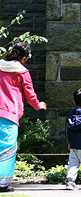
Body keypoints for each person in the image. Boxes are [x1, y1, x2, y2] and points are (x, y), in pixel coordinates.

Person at [0, 42, 47, 192]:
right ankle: (2, 184)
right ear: (24, 58)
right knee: (7, 149)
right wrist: (38, 105)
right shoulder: (22, 72)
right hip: (9, 115)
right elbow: (30, 95)